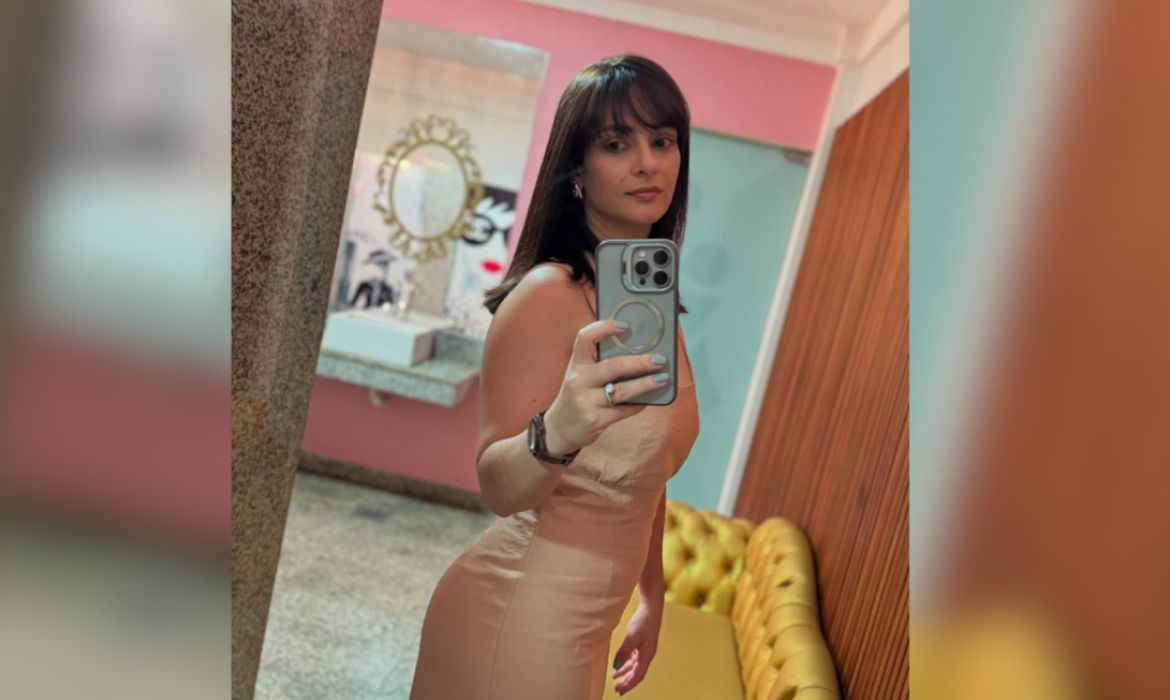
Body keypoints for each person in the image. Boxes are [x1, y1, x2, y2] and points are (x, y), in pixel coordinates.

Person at [409, 54, 699, 700]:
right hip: (518, 613)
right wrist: (559, 431)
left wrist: (653, 594)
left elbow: (647, 472)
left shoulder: (650, 306)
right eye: (617, 144)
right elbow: (497, 484)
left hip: (589, 623)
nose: (648, 163)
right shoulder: (548, 294)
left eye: (663, 141)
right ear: (576, 172)